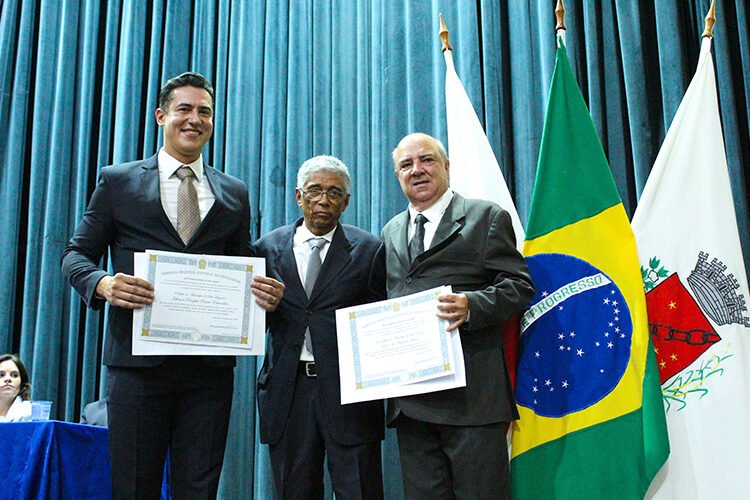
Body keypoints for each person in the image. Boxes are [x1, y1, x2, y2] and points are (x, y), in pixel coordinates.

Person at [61, 71, 284, 499]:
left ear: (213, 122)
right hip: (137, 368)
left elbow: (246, 268)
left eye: (204, 112)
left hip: (208, 372)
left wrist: (266, 291)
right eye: (184, 109)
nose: (194, 119)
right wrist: (103, 283)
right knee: (133, 485)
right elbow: (74, 255)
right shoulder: (119, 181)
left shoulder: (234, 192)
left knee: (199, 488)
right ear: (162, 116)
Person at [381, 132, 535, 499]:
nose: (417, 170)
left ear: (447, 166)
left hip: (473, 400)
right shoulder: (390, 232)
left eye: (427, 160)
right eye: (406, 165)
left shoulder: (486, 217)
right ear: (398, 175)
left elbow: (520, 285)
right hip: (413, 402)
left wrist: (473, 305)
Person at [253, 155, 386, 499]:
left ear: (347, 202)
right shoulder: (266, 249)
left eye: (334, 192)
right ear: (298, 196)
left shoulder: (370, 250)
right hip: (289, 392)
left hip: (351, 395)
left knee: (360, 491)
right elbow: (253, 322)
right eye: (314, 191)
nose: (323, 200)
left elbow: (382, 322)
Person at [0, 354, 32, 422]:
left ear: (22, 383)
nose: (8, 379)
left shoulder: (31, 413)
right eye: (1, 375)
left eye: (14, 375)